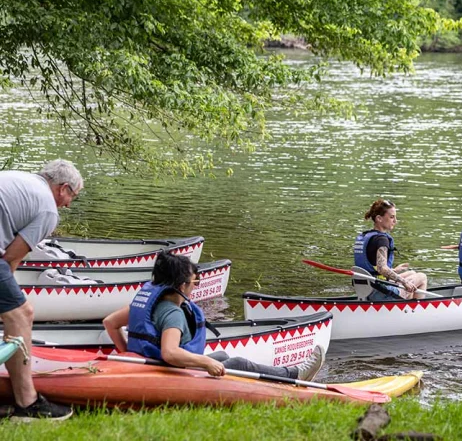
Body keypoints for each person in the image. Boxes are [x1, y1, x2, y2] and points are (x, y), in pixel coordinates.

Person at [103, 252, 325, 381]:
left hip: (152, 364)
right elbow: (170, 352)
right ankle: (295, 374)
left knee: (221, 354)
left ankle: (291, 374)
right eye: (194, 282)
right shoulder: (173, 314)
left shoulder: (150, 303)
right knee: (239, 363)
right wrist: (205, 362)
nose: (195, 286)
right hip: (166, 370)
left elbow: (110, 323)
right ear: (182, 285)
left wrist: (130, 355)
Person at [0, 159, 82, 421]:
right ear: (63, 188)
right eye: (72, 197)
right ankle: (28, 403)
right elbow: (11, 258)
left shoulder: (20, 179)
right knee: (21, 314)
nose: (68, 204)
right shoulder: (48, 209)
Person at [353, 199, 428, 301]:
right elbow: (382, 269)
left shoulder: (367, 236)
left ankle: (404, 303)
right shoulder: (382, 240)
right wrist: (404, 282)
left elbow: (373, 268)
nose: (395, 221)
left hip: (366, 289)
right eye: (392, 217)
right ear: (379, 218)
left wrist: (394, 271)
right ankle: (415, 311)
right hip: (379, 292)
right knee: (422, 277)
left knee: (412, 273)